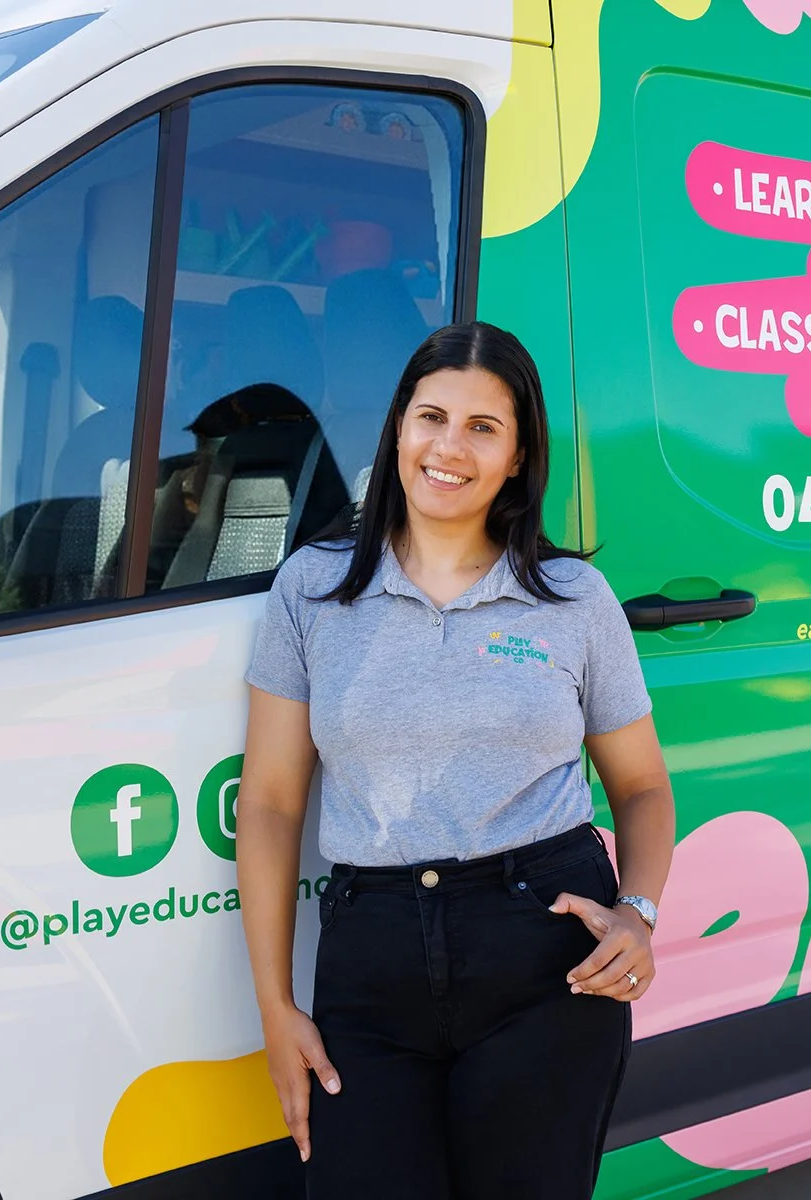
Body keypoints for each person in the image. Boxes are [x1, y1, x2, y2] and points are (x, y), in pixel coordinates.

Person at [236, 320, 674, 1199]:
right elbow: (273, 805)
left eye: (483, 427)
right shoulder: (312, 591)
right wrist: (277, 1008)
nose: (449, 447)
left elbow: (642, 786)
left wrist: (637, 913)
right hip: (372, 958)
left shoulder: (573, 600)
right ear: (398, 427)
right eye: (431, 416)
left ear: (517, 456)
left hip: (544, 955)